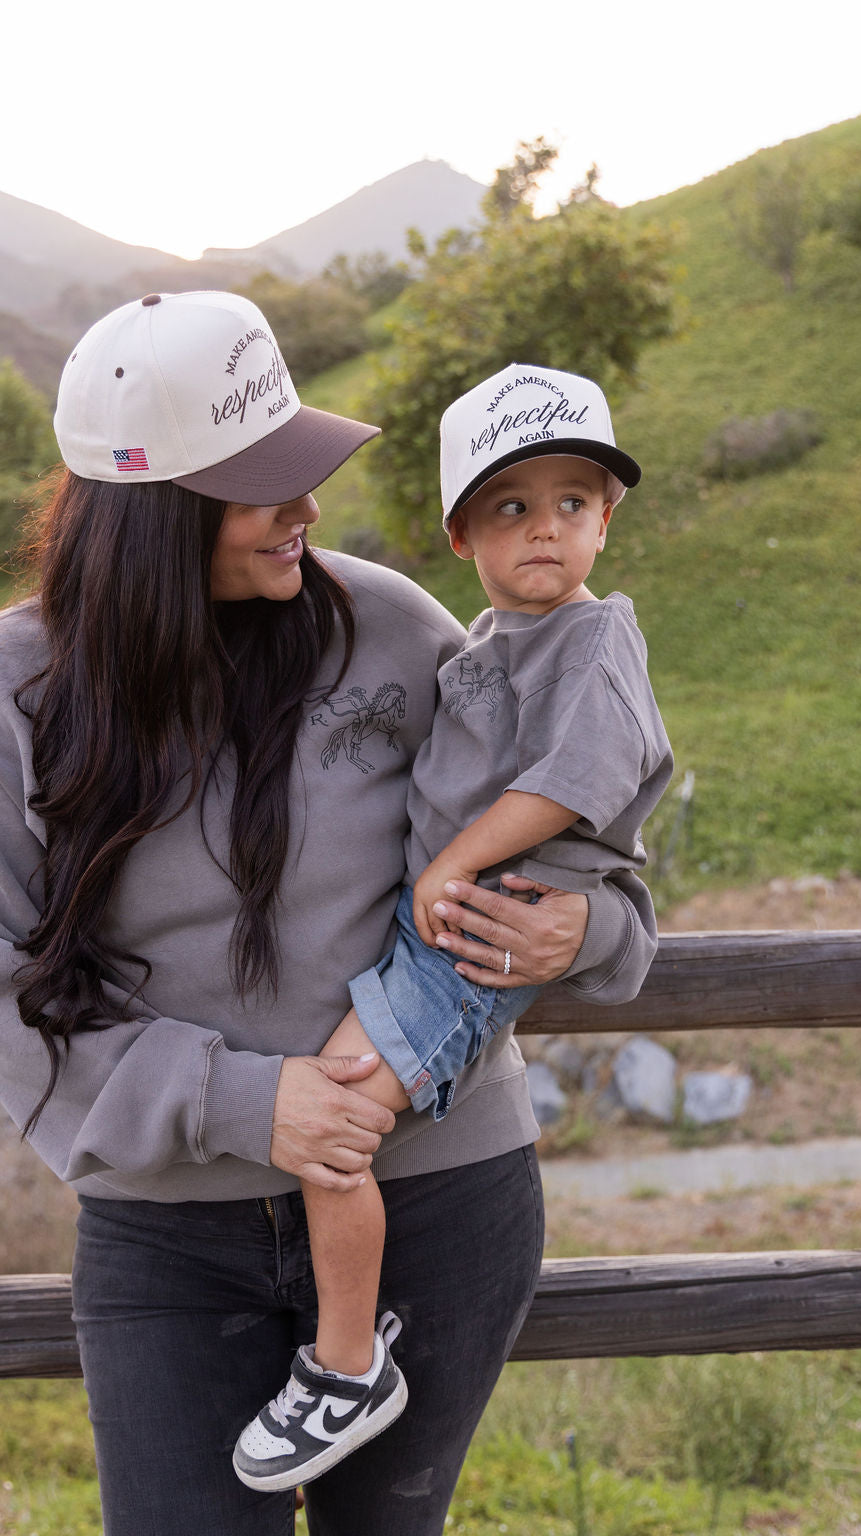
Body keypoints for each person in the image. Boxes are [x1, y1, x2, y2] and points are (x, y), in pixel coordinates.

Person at [0, 294, 659, 1536]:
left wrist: (596, 935)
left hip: (440, 1203)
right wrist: (255, 1104)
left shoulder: (392, 627)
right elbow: (11, 1003)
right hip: (168, 1235)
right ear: (153, 510)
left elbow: (581, 834)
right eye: (263, 487)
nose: (306, 506)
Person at [233, 362, 674, 1493]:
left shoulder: (594, 640)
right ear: (460, 534)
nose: (546, 529)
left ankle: (345, 1366)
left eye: (572, 502)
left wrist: (456, 860)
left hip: (483, 932)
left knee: (334, 1123)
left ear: (607, 521)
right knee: (333, 1114)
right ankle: (342, 1359)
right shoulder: (487, 642)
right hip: (435, 929)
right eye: (511, 507)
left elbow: (574, 783)